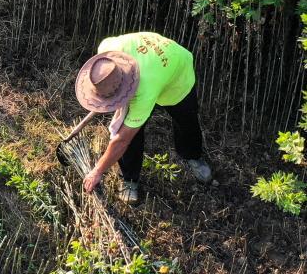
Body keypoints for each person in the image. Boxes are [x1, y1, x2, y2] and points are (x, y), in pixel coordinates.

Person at [75, 31, 212, 204]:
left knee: (186, 120)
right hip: (151, 68)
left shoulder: (144, 91)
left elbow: (122, 140)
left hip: (178, 73)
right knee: (127, 123)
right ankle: (129, 179)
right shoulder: (106, 51)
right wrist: (107, 95)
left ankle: (193, 156)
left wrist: (97, 171)